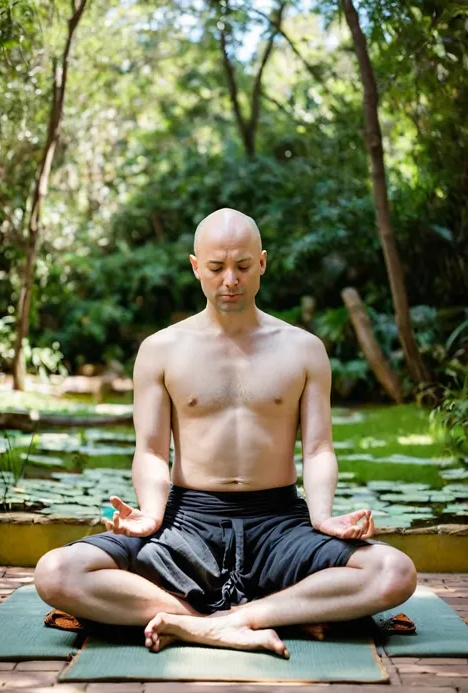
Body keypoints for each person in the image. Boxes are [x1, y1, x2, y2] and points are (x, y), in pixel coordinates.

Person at [34, 208, 417, 658]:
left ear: (263, 263)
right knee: (56, 572)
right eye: (216, 268)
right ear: (197, 267)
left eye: (243, 266)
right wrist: (152, 515)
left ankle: (229, 621)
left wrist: (322, 517)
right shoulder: (160, 350)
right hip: (186, 524)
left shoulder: (304, 350)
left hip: (279, 523)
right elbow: (153, 451)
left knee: (394, 571)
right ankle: (227, 620)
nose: (230, 279)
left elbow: (316, 449)